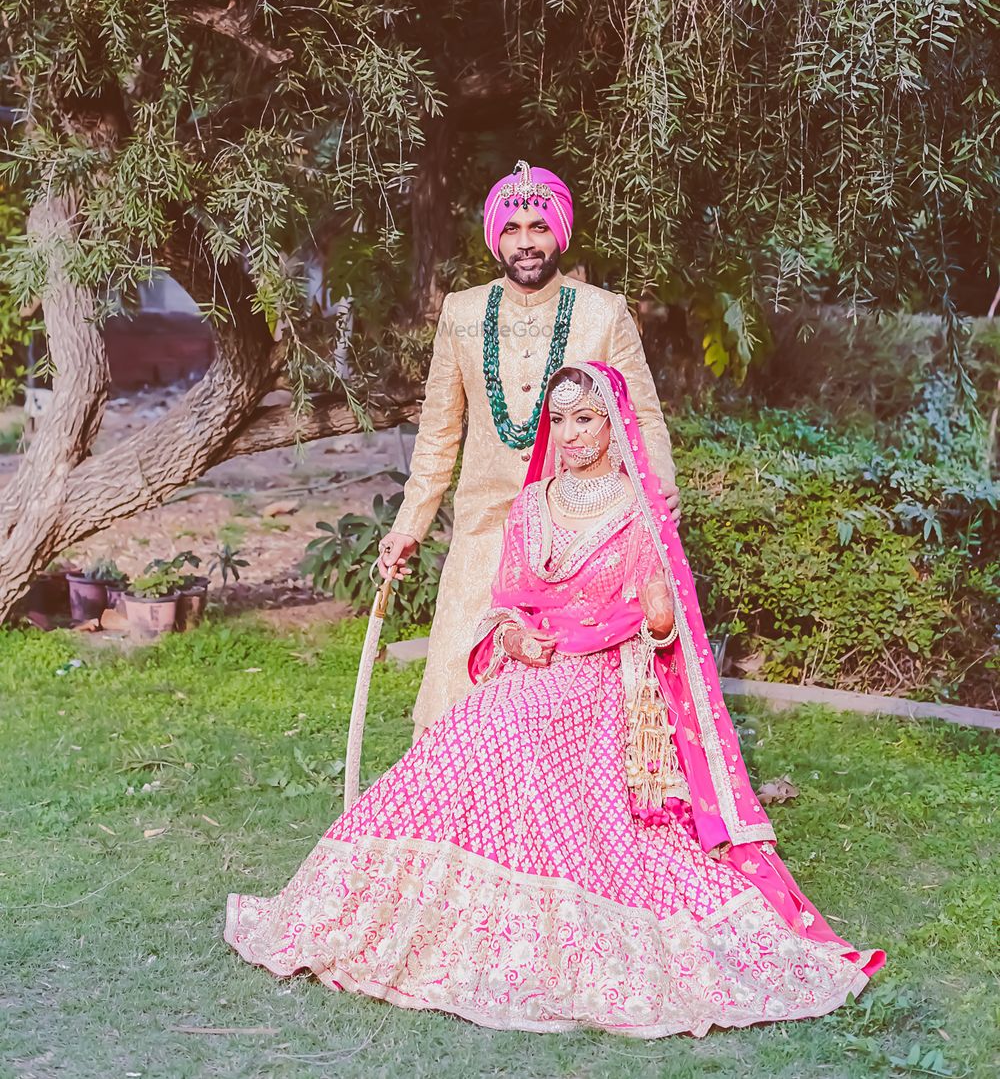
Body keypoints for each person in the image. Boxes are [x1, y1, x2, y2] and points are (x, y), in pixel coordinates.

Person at [225, 361, 883, 1038]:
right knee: (472, 726)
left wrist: (659, 605)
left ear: (613, 424)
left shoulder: (640, 511)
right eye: (560, 419)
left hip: (602, 679)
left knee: (505, 723)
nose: (569, 434)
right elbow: (505, 603)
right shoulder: (533, 504)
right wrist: (512, 635)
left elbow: (662, 629)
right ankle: (385, 907)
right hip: (531, 667)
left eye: (586, 419)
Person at [378, 158, 681, 739]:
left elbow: (643, 414)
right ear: (495, 238)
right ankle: (446, 815)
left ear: (559, 233)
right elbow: (440, 432)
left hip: (576, 532)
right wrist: (409, 525)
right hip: (486, 526)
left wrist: (658, 496)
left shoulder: (602, 311)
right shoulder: (462, 314)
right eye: (512, 230)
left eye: (538, 228)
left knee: (559, 691)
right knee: (453, 686)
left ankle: (555, 820)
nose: (526, 243)